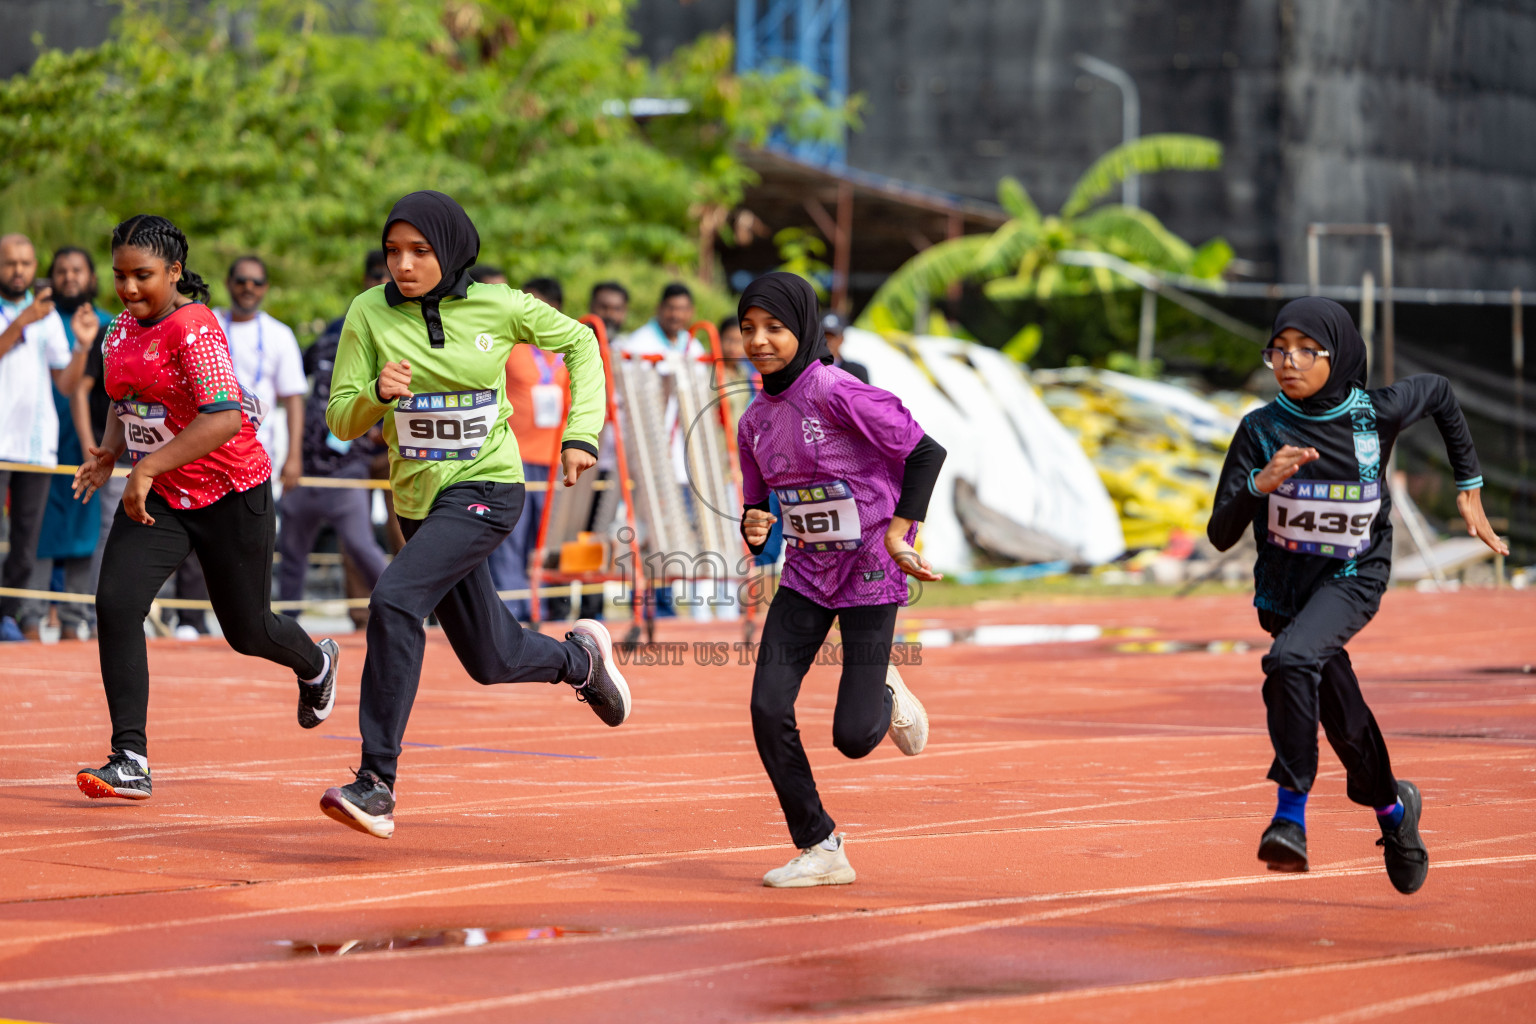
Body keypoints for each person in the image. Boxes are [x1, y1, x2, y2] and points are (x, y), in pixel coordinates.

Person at [319, 190, 630, 840]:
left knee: (395, 600)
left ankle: (376, 784)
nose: (403, 265)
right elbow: (341, 417)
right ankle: (582, 662)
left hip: (487, 485)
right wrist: (377, 393)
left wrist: (582, 433)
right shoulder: (368, 313)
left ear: (451, 251)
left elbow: (581, 345)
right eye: (393, 252)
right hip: (417, 504)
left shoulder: (501, 303)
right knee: (491, 657)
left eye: (420, 252)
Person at [1207, 297, 1507, 895]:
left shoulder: (1376, 413)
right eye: (1278, 350)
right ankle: (1395, 812)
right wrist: (1257, 484)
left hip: (1353, 576)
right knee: (1343, 717)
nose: (1288, 362)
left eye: (1304, 351)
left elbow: (1443, 394)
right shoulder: (1260, 429)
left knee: (1292, 660)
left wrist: (1469, 485)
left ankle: (1289, 818)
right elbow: (1220, 533)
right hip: (1286, 591)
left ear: (1336, 353)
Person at [71, 214, 339, 801]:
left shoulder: (196, 327)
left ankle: (315, 665)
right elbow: (124, 399)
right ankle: (131, 758)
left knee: (246, 630)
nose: (129, 288)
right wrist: (112, 453)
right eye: (119, 276)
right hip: (164, 496)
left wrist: (146, 466)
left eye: (143, 276)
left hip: (230, 492)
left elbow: (223, 418)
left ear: (174, 272)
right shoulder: (119, 330)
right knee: (115, 604)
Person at [736, 272, 947, 887]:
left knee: (854, 739)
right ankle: (821, 845)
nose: (759, 341)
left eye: (774, 327)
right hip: (805, 573)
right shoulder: (752, 422)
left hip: (871, 570)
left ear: (803, 328)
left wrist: (899, 532)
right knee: (766, 707)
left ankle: (884, 691)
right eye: (748, 328)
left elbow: (926, 453)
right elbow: (760, 510)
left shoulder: (839, 391)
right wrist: (755, 527)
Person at [275, 251, 390, 616]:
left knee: (363, 546)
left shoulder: (402, 333)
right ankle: (285, 625)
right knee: (291, 551)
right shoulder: (332, 333)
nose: (382, 282)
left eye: (387, 276)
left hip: (352, 466)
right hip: (307, 466)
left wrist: (380, 432)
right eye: (375, 275)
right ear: (364, 279)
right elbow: (295, 382)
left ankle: (405, 607)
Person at [0, 233, 91, 641]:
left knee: (25, 541)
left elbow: (67, 386)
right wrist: (21, 322)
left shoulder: (50, 317)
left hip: (35, 448)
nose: (18, 271)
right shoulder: (31, 316)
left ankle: (8, 616)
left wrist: (82, 349)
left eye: (25, 263)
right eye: (9, 263)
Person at [22, 248, 114, 639]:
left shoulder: (109, 325)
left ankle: (78, 619)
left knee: (85, 529)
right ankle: (28, 614)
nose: (70, 277)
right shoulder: (39, 321)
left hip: (89, 445)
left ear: (92, 278)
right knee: (36, 528)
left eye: (78, 270)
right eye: (61, 271)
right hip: (37, 441)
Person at [486, 276, 570, 621]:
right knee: (509, 540)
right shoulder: (508, 345)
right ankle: (511, 613)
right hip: (513, 459)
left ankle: (548, 611)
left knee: (548, 545)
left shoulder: (571, 349)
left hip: (556, 463)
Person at [215, 256, 308, 491]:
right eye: (242, 281)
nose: (249, 287)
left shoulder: (280, 334)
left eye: (257, 282)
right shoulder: (208, 324)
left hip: (257, 456)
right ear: (228, 283)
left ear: (265, 287)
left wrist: (294, 456)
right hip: (207, 453)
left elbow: (293, 400)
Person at [820, 311, 869, 384]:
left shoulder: (857, 372)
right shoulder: (807, 365)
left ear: (841, 339)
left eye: (832, 337)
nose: (828, 341)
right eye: (825, 336)